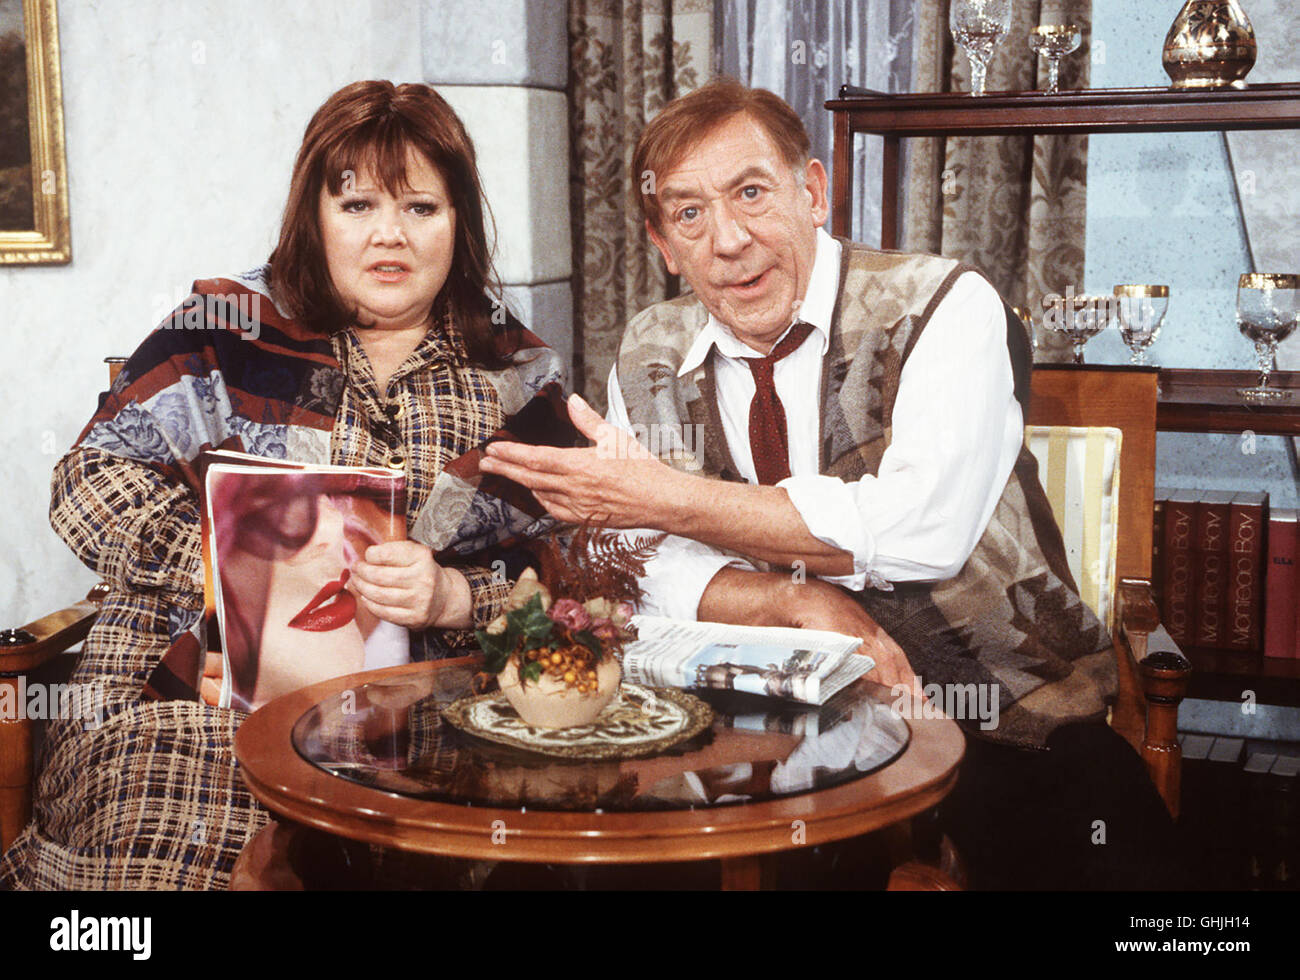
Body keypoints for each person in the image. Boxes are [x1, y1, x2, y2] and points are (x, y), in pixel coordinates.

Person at [480, 79, 1183, 889]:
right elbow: (642, 566)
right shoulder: (649, 349)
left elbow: (922, 529)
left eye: (750, 193)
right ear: (662, 243)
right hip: (751, 729)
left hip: (996, 712)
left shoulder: (941, 306)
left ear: (813, 192)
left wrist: (663, 499)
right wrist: (799, 601)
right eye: (689, 214)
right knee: (564, 871)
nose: (729, 240)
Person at [0, 80, 570, 890]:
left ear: (460, 223)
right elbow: (87, 478)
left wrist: (450, 597)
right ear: (315, 215)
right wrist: (224, 582)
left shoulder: (517, 374)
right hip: (188, 701)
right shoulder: (223, 329)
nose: (389, 237)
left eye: (421, 208)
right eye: (358, 205)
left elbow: (566, 585)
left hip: (425, 722)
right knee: (171, 861)